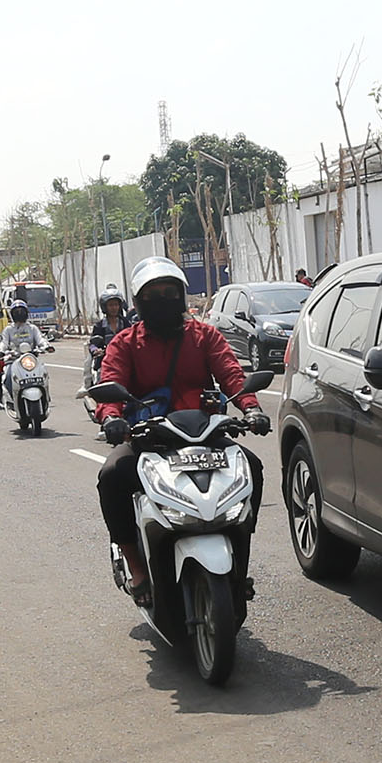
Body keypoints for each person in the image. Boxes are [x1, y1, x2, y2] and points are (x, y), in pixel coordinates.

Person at [92, 255, 257, 601]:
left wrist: (251, 408)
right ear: (138, 303)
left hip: (205, 434)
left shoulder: (204, 336)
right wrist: (110, 417)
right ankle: (137, 568)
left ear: (182, 296)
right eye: (153, 295)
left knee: (252, 466)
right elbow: (110, 382)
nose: (163, 299)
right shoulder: (125, 342)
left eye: (170, 292)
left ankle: (239, 568)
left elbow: (231, 375)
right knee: (112, 475)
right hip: (149, 439)